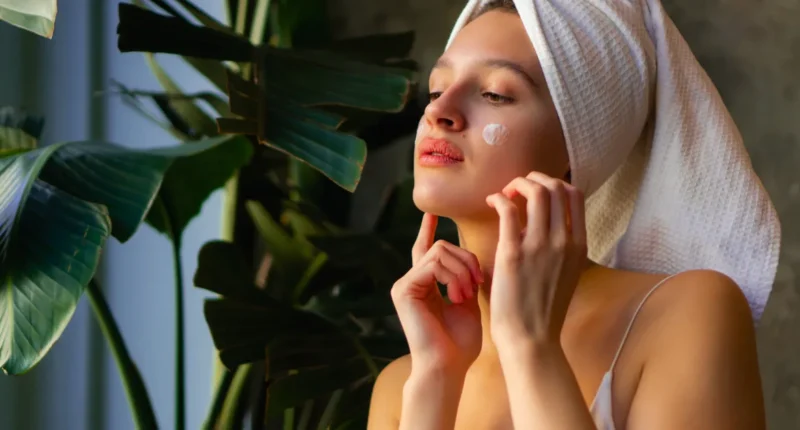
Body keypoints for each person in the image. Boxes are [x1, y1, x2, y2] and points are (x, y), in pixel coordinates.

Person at [367, 0, 782, 429]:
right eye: (436, 90)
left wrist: (531, 347)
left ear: (579, 145)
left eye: (495, 93)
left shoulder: (687, 313)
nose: (438, 111)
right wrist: (434, 382)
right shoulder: (403, 384)